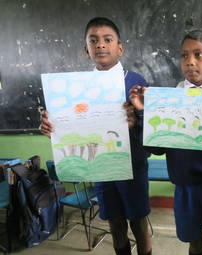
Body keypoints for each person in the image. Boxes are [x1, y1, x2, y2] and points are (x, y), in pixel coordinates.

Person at [39, 17, 152, 255]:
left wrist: (134, 124)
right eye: (94, 40)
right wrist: (54, 129)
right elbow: (73, 126)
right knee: (114, 220)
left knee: (138, 221)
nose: (101, 45)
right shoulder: (74, 87)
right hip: (100, 167)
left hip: (132, 165)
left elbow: (151, 128)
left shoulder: (136, 82)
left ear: (120, 48)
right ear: (86, 49)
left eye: (107, 40)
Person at [129, 30, 202, 255]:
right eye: (184, 56)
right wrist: (143, 114)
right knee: (195, 242)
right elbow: (156, 147)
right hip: (184, 188)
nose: (190, 61)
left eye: (198, 55)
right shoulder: (170, 98)